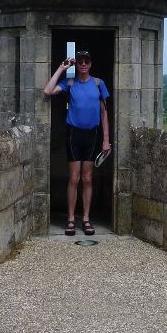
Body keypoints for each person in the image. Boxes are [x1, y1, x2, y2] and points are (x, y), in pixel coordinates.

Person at [43, 50, 110, 236]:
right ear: (76, 64)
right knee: (74, 178)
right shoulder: (70, 83)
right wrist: (62, 67)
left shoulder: (98, 84)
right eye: (79, 61)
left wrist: (106, 140)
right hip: (74, 135)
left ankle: (86, 219)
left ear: (90, 64)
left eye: (86, 61)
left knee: (87, 179)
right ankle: (71, 219)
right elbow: (48, 90)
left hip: (92, 135)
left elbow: (104, 113)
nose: (83, 64)